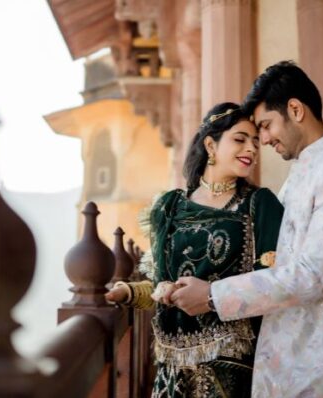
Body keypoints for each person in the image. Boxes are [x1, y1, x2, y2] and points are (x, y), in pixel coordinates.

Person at [170, 61, 323, 398]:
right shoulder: (300, 174)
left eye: (266, 126)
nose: (262, 140)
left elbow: (313, 275)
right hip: (282, 365)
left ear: (295, 110)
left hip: (322, 366)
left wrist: (212, 296)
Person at [105, 102, 284, 397]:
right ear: (210, 145)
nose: (252, 149)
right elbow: (160, 285)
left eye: (255, 141)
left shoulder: (260, 204)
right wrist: (126, 292)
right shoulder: (169, 206)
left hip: (232, 368)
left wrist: (212, 294)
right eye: (240, 139)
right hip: (171, 371)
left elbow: (272, 282)